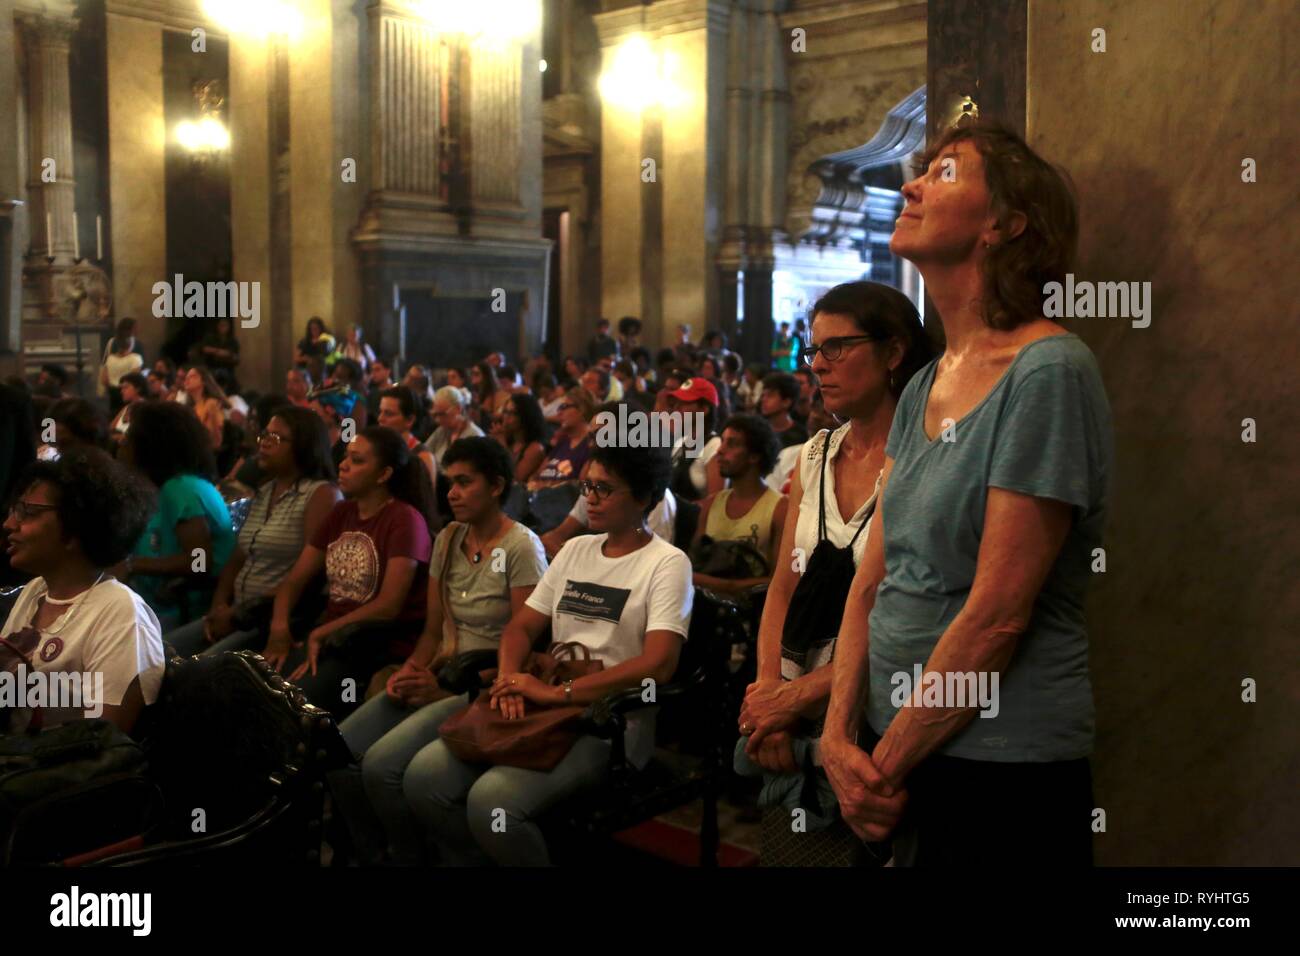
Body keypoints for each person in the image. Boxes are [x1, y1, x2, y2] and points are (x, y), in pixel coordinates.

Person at [820, 123, 1113, 867]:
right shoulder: (923, 382)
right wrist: (835, 737)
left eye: (944, 172)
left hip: (997, 766)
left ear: (1004, 224)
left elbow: (996, 618)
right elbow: (870, 583)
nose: (911, 185)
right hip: (893, 751)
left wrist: (881, 771)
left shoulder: (1046, 371)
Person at [403, 442, 691, 866]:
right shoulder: (577, 550)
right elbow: (522, 626)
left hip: (607, 721)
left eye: (604, 490)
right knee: (422, 779)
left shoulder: (666, 563)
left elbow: (657, 666)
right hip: (543, 700)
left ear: (644, 497)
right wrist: (508, 680)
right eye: (586, 486)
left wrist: (554, 693)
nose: (589, 499)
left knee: (492, 805)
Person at [738, 280, 932, 865]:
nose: (817, 366)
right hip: (792, 714)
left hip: (882, 712)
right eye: (813, 351)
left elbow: (910, 613)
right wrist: (771, 690)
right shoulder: (814, 454)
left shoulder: (925, 458)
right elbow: (784, 584)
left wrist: (794, 697)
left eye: (836, 348)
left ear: (894, 352)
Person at [330, 437, 547, 865]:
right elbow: (432, 632)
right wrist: (408, 672)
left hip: (486, 685)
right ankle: (373, 851)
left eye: (465, 483)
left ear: (497, 486)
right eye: (450, 482)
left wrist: (442, 689)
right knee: (338, 753)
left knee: (381, 769)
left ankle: (415, 855)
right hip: (441, 670)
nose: (452, 493)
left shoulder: (522, 547)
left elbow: (527, 647)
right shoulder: (448, 537)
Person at [261, 426, 437, 717]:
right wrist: (279, 627)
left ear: (384, 474)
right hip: (329, 639)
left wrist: (322, 632)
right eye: (345, 457)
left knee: (286, 708)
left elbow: (388, 607)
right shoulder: (342, 513)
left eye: (357, 460)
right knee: (251, 686)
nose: (342, 465)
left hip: (372, 647)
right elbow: (294, 580)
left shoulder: (405, 520)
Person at [1, 449, 161, 734]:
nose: (10, 524)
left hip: (60, 774)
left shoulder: (120, 612)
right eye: (15, 510)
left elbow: (102, 743)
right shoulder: (36, 591)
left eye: (28, 512)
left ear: (76, 526)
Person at [165, 407, 341, 657]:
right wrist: (219, 604)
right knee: (161, 653)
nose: (264, 444)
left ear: (304, 445)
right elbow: (238, 556)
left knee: (195, 670)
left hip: (270, 618)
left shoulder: (321, 494)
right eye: (264, 436)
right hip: (236, 612)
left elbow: (309, 576)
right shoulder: (266, 490)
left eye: (276, 439)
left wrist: (236, 615)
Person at [115, 401, 236, 631]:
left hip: (186, 615)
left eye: (129, 437)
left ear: (150, 445)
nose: (121, 442)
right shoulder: (163, 489)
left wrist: (133, 565)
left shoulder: (180, 490)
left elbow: (200, 563)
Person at [690, 415, 786, 596]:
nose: (720, 450)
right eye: (723, 441)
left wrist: (730, 587)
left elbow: (778, 579)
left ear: (755, 455)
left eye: (732, 444)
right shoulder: (711, 504)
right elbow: (695, 562)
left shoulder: (780, 508)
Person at [665, 377, 723, 501]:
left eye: (685, 403)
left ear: (704, 409)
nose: (677, 407)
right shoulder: (681, 442)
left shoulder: (715, 446)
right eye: (677, 402)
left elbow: (716, 503)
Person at [527, 387, 595, 490]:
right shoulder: (562, 443)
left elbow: (581, 486)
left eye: (564, 407)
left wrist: (546, 486)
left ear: (582, 409)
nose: (559, 413)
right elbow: (536, 475)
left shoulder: (591, 445)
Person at [378, 386, 438, 481]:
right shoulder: (377, 448)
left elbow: (425, 495)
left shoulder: (423, 457)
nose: (380, 418)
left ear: (410, 420)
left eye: (389, 414)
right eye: (380, 412)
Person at [424, 386, 484, 472]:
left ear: (458, 409)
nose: (437, 420)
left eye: (442, 414)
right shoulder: (442, 431)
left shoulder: (475, 436)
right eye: (435, 415)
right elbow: (423, 453)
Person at [492, 393, 548, 485]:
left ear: (525, 416)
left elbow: (515, 479)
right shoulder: (509, 440)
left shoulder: (535, 448)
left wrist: (502, 444)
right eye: (505, 412)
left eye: (512, 413)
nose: (506, 418)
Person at [98, 318, 144, 413]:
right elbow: (137, 376)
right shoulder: (135, 350)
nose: (138, 329)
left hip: (114, 390)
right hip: (128, 389)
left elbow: (104, 375)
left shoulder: (137, 344)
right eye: (136, 327)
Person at [181, 366, 228, 451]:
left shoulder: (211, 404)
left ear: (203, 381)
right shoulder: (189, 408)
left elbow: (216, 440)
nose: (187, 380)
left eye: (193, 376)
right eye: (186, 377)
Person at [760, 372, 810, 449]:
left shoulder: (800, 436)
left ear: (786, 402)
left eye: (770, 395)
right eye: (763, 395)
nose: (764, 399)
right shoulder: (758, 431)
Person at [108, 371, 148, 447]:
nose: (122, 391)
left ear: (138, 389)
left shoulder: (145, 408)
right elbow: (109, 430)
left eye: (126, 387)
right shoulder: (126, 408)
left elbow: (135, 436)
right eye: (121, 388)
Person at [295, 316, 336, 383]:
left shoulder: (326, 341)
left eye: (316, 328)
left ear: (321, 329)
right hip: (305, 368)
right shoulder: (304, 341)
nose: (314, 331)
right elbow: (296, 358)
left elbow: (331, 355)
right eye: (312, 329)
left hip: (321, 368)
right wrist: (305, 359)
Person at [366, 357, 396, 422]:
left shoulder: (395, 391)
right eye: (372, 370)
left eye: (377, 370)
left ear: (388, 371)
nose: (373, 374)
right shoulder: (371, 392)